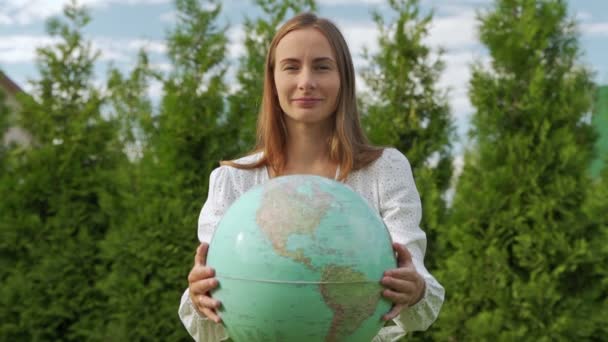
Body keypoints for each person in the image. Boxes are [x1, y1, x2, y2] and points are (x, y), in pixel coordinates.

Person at [178, 12, 444, 341]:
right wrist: (198, 295)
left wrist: (414, 289)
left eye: (321, 66)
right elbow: (207, 328)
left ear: (343, 78)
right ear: (272, 81)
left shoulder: (384, 170)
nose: (306, 81)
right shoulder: (231, 180)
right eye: (291, 67)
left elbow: (417, 296)